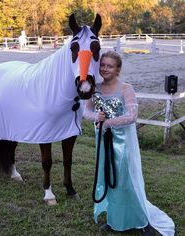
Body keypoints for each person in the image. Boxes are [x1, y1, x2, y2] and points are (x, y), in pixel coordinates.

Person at [83, 51, 175, 236]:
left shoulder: (126, 89)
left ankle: (142, 221)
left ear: (118, 69)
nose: (105, 69)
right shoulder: (96, 89)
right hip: (103, 142)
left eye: (110, 66)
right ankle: (114, 219)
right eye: (103, 65)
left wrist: (107, 122)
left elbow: (132, 116)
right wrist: (96, 117)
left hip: (123, 144)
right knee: (108, 178)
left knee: (127, 181)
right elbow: (86, 111)